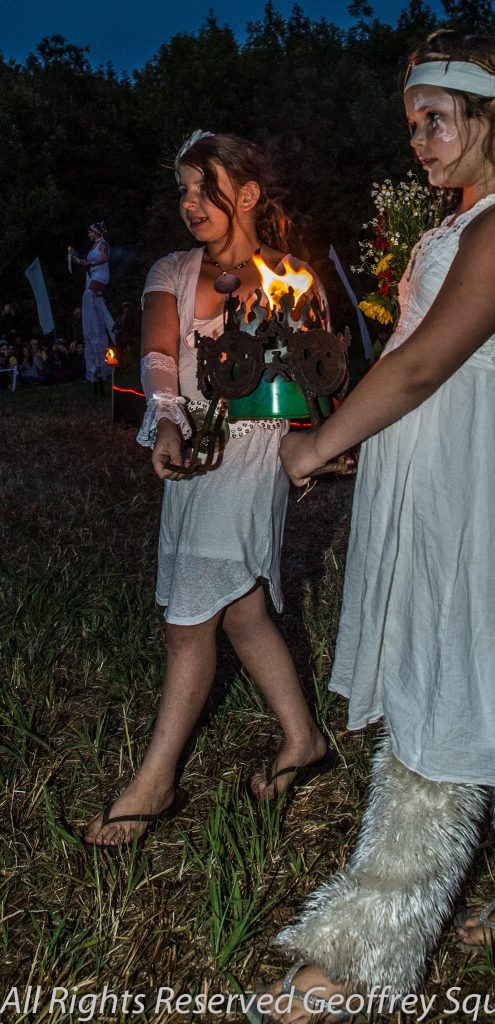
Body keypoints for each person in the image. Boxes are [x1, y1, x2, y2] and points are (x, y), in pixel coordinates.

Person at [258, 32, 495, 1022]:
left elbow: (421, 370)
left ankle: (366, 954)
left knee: (448, 686)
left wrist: (313, 445)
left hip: (487, 488)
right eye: (410, 122)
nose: (416, 139)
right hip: (448, 476)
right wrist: (345, 421)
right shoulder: (459, 225)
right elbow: (407, 364)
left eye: (433, 117)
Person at [84, 130, 335, 848]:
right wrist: (165, 421)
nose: (191, 203)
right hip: (197, 445)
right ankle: (302, 737)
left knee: (192, 613)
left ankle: (155, 781)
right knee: (241, 608)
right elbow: (159, 354)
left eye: (207, 187)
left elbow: (313, 376)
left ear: (248, 194)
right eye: (183, 190)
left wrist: (312, 443)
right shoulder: (171, 268)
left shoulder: (296, 278)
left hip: (257, 454)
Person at [74, 223, 111, 396]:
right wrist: (79, 261)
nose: (88, 234)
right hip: (95, 275)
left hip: (101, 276)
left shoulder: (102, 243)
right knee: (90, 297)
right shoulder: (94, 245)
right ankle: (96, 306)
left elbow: (104, 258)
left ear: (97, 232)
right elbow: (89, 263)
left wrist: (91, 262)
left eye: (90, 231)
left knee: (87, 295)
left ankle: (94, 307)